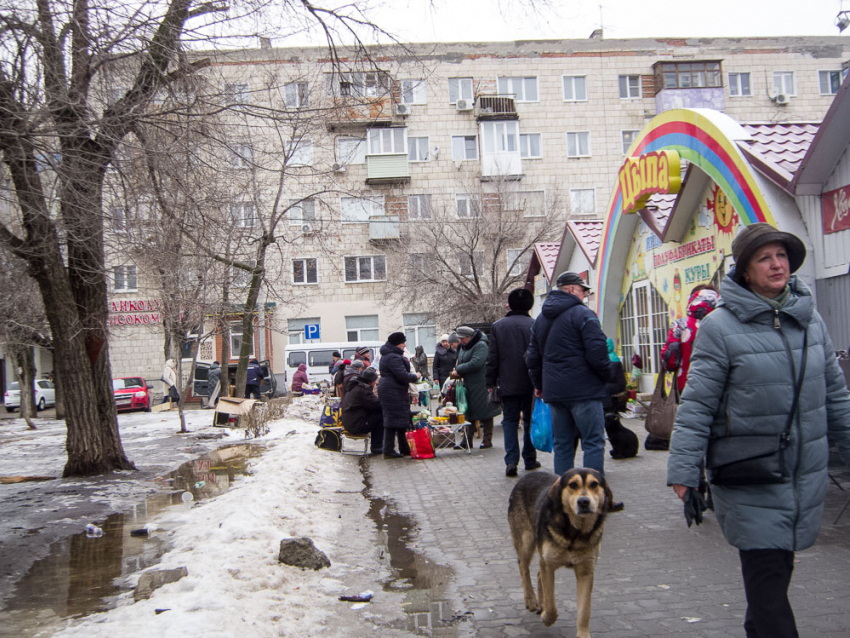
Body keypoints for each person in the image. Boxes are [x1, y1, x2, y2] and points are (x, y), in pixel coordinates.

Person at [667, 223, 850, 638]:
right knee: (768, 581)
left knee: (775, 576)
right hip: (751, 473)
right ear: (745, 272)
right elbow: (698, 404)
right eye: (764, 258)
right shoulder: (720, 328)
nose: (776, 264)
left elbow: (836, 396)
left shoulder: (811, 321)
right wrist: (683, 470)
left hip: (803, 473)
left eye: (781, 255)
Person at [526, 271, 613, 475]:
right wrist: (607, 376)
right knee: (593, 441)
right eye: (583, 291)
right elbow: (598, 352)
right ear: (572, 289)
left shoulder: (541, 319)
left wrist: (539, 385)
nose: (584, 295)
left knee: (562, 443)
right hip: (585, 391)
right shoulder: (584, 314)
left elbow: (532, 358)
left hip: (555, 392)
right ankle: (592, 491)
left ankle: (562, 492)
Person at [486, 288, 541, 476]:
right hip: (532, 383)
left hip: (508, 383)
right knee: (530, 421)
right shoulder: (535, 325)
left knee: (509, 421)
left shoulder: (498, 327)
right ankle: (530, 459)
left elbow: (493, 358)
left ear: (510, 304)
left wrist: (490, 382)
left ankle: (511, 461)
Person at [661, 284, 720, 395]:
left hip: (687, 387)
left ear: (692, 299)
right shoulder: (725, 323)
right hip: (720, 388)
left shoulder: (680, 325)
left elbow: (671, 361)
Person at [453, 325, 501, 449]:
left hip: (481, 383)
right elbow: (462, 361)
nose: (460, 341)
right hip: (469, 384)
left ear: (469, 337)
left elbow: (477, 362)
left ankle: (487, 440)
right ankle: (466, 441)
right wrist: (457, 369)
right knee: (469, 413)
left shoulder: (481, 345)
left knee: (486, 412)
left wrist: (459, 369)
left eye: (462, 338)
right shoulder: (465, 346)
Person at [378, 332, 420, 458]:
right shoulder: (393, 357)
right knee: (392, 421)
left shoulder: (389, 355)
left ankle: (404, 448)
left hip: (392, 390)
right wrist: (415, 376)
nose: (404, 345)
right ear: (397, 344)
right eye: (402, 342)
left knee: (400, 420)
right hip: (392, 391)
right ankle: (389, 450)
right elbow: (402, 375)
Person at [603, 339, 638, 459]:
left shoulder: (612, 358)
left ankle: (606, 408)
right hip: (612, 383)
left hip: (616, 385)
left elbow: (610, 376)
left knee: (604, 389)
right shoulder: (607, 357)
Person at [342, 367, 384, 455]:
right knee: (380, 417)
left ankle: (377, 445)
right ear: (370, 381)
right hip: (356, 425)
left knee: (376, 414)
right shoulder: (363, 390)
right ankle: (377, 447)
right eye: (374, 381)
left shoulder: (356, 387)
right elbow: (377, 405)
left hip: (350, 422)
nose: (375, 384)